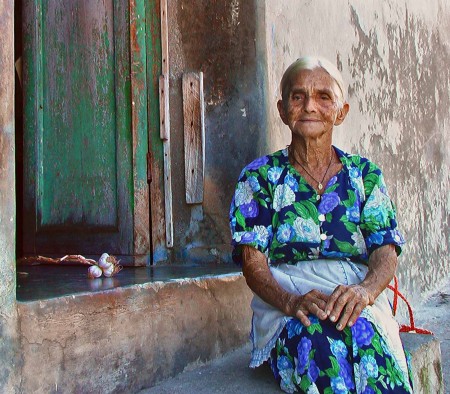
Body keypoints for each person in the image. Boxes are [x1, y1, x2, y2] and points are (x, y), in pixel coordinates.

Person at [229, 56, 413, 393]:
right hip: (291, 303)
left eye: (323, 97)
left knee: (372, 348)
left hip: (355, 297)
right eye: (298, 97)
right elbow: (251, 261)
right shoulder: (259, 177)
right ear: (283, 110)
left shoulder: (364, 176)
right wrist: (290, 302)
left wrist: (366, 292)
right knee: (319, 346)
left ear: (341, 111)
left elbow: (385, 250)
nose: (310, 106)